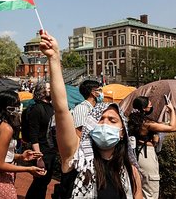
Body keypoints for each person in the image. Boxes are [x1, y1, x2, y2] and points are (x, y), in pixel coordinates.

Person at [39, 31, 142, 198]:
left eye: (112, 120)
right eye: (99, 119)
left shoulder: (130, 169)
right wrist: (54, 59)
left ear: (123, 132)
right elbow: (61, 110)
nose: (104, 123)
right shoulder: (76, 157)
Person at [0, 90, 45, 199]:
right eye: (15, 106)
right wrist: (29, 169)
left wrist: (20, 156)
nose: (18, 109)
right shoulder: (6, 128)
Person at [128, 96, 176, 199]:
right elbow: (173, 127)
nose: (151, 106)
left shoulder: (133, 120)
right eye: (149, 104)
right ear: (143, 107)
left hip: (136, 154)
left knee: (138, 188)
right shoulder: (147, 123)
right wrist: (171, 110)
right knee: (150, 189)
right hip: (146, 155)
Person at [25, 81, 56, 199]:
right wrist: (38, 157)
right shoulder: (36, 109)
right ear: (42, 92)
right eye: (48, 88)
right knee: (39, 182)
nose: (51, 90)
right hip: (42, 151)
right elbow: (34, 135)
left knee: (44, 182)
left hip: (51, 150)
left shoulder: (51, 107)